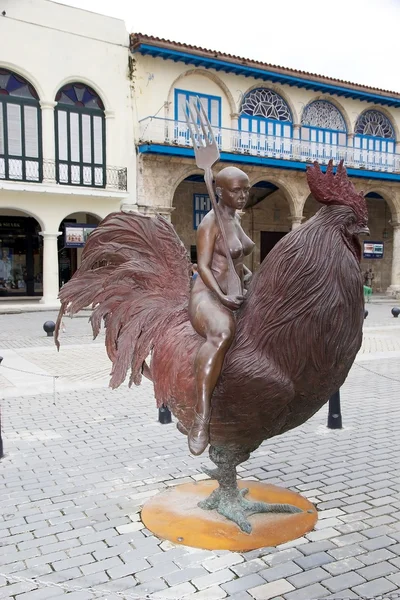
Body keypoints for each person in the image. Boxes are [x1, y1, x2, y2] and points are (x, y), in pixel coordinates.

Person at [186, 166, 255, 455]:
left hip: (234, 288)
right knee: (223, 332)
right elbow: (203, 266)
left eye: (246, 190)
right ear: (220, 192)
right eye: (236, 190)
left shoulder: (233, 219)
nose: (242, 195)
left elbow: (237, 261)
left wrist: (251, 279)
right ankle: (200, 416)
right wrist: (223, 298)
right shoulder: (210, 221)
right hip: (208, 293)